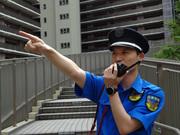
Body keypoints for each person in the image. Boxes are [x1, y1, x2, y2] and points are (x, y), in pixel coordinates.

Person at [19, 27, 165, 135]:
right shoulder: (103, 84)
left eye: (125, 52)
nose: (118, 58)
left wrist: (112, 89)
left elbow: (125, 128)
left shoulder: (152, 94)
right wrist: (46, 49)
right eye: (114, 53)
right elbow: (74, 71)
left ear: (140, 56)